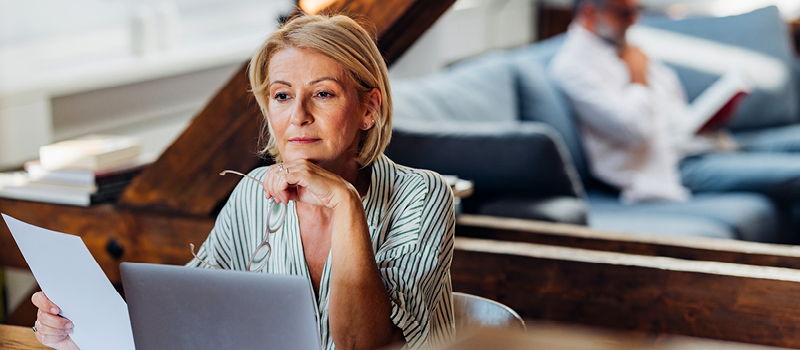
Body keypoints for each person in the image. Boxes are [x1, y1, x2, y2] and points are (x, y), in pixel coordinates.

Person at [30, 14, 456, 350]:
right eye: (282, 95)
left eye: (323, 93)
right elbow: (184, 321)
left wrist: (345, 203)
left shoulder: (423, 198)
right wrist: (74, 332)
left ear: (369, 108)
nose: (298, 116)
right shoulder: (255, 195)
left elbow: (364, 345)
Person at [548, 0, 800, 205]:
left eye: (637, 11)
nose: (634, 21)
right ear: (590, 12)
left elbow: (672, 108)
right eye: (625, 13)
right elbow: (635, 130)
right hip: (677, 167)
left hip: (704, 143)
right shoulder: (573, 67)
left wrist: (706, 118)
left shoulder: (625, 47)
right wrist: (638, 78)